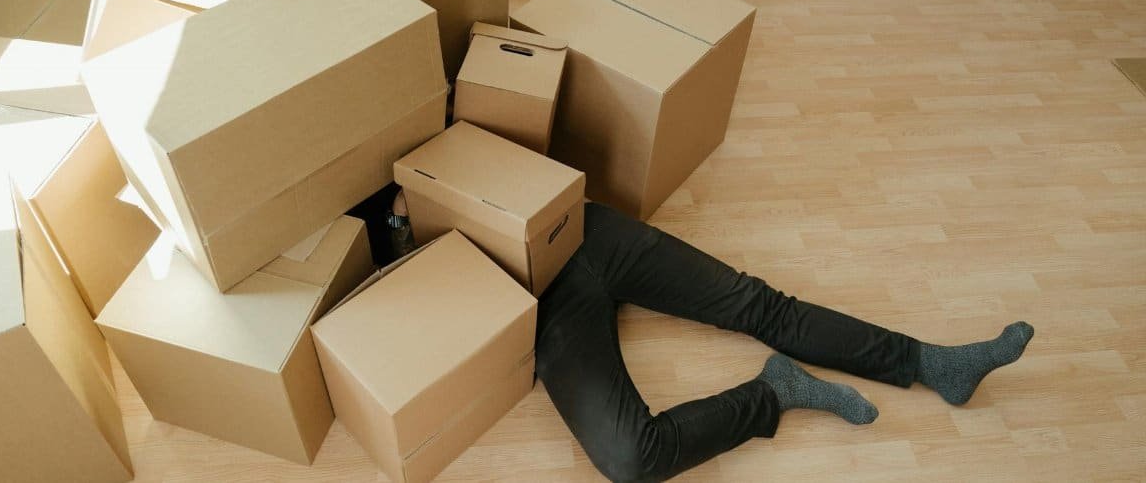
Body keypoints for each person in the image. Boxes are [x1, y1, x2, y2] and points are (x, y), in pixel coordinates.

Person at [388, 197, 1034, 482]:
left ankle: (934, 362)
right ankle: (773, 393)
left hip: (573, 228)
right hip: (531, 299)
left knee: (757, 303)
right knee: (630, 459)